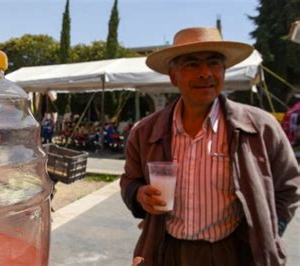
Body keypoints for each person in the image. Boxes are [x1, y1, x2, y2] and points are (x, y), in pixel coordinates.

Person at [121, 27, 300, 266]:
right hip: (167, 252)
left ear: (224, 71)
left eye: (214, 63)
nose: (205, 73)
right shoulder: (145, 133)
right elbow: (129, 181)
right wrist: (139, 194)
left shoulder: (259, 127)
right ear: (174, 77)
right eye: (192, 65)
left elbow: (289, 186)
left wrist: (268, 231)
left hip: (234, 253)